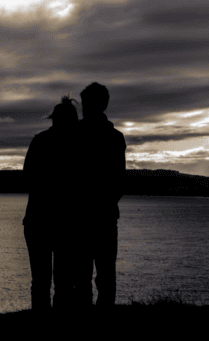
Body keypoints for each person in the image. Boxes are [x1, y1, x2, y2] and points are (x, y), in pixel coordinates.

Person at [22, 95, 81, 312]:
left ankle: (41, 326)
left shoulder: (40, 141)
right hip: (66, 222)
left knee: (41, 281)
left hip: (38, 220)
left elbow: (28, 177)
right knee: (63, 283)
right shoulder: (79, 146)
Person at [74, 82, 127, 308]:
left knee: (94, 276)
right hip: (96, 215)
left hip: (88, 215)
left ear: (102, 104)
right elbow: (118, 181)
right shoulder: (113, 137)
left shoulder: (75, 134)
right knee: (93, 276)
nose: (85, 107)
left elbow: (117, 180)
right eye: (84, 102)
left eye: (88, 103)